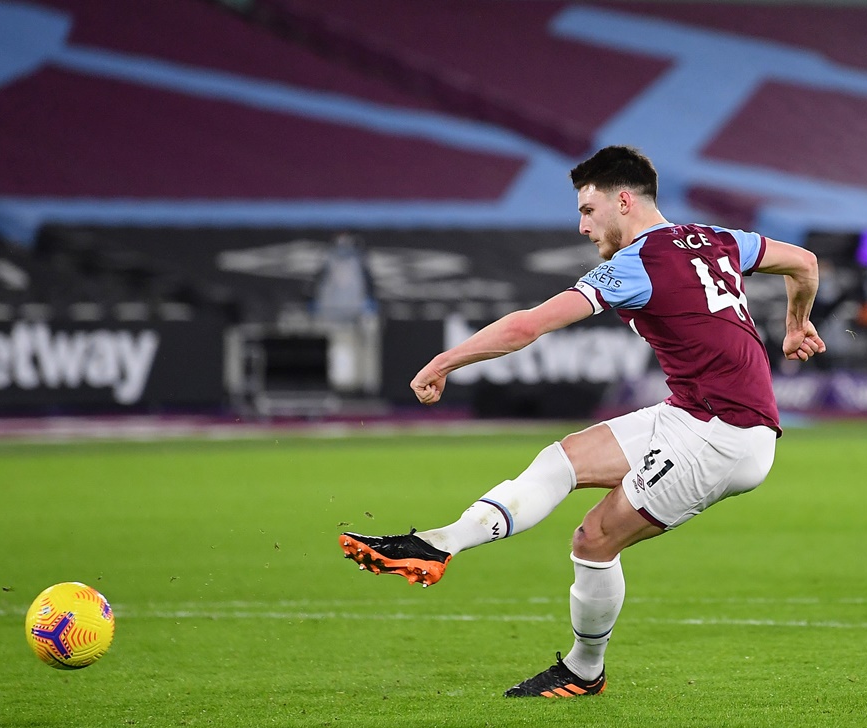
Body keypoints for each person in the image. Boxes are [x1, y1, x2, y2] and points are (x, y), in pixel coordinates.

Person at [341, 145, 825, 696]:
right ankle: (438, 543)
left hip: (724, 437)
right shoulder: (716, 238)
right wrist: (796, 324)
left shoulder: (635, 265)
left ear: (623, 200)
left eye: (588, 210)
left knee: (594, 540)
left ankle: (583, 671)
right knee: (561, 460)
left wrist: (445, 361)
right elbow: (805, 262)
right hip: (693, 412)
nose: (582, 226)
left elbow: (528, 327)